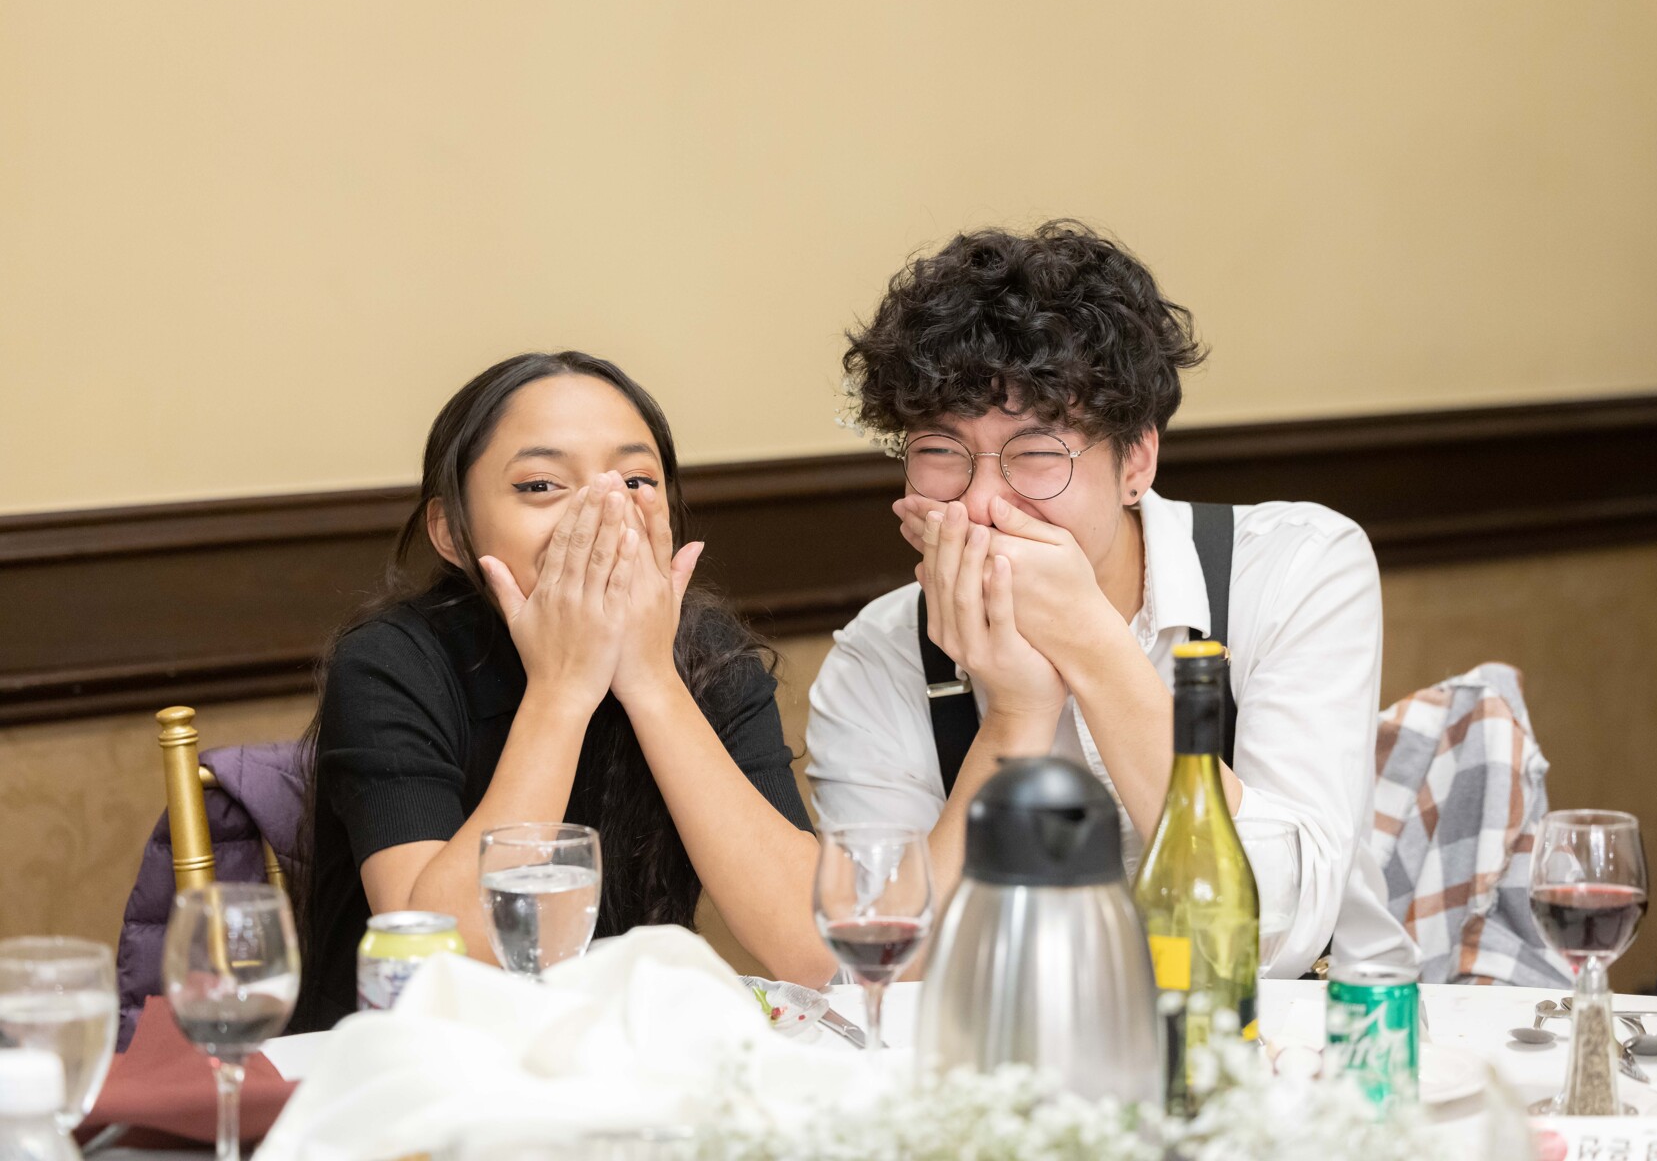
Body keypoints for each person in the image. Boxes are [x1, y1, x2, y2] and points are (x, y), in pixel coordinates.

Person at [806, 222, 1416, 979]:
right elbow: (881, 975)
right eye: (939, 451)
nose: (983, 501)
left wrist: (1089, 642)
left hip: (1318, 1033)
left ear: (1137, 462)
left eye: (1037, 452)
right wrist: (1015, 715)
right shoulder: (879, 657)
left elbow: (1275, 936)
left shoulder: (1295, 568)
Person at [292, 352, 835, 1030]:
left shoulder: (707, 654)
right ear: (450, 532)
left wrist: (652, 681)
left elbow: (812, 948)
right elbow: (433, 966)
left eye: (635, 480)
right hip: (407, 1063)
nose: (603, 511)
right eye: (542, 485)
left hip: (616, 1052)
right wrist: (562, 689)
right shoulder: (391, 662)